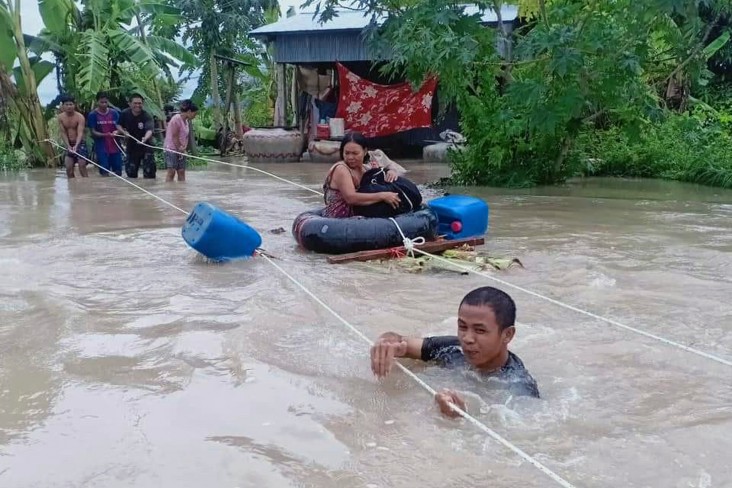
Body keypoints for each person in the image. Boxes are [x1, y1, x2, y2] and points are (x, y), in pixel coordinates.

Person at [370, 286, 540, 418]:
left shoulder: (519, 386)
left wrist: (460, 420)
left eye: (480, 331)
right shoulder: (452, 349)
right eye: (462, 327)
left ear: (507, 335)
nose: (467, 338)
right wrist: (386, 344)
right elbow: (400, 341)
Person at [322, 132, 402, 218]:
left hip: (361, 210)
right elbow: (351, 198)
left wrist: (390, 171)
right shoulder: (341, 169)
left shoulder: (365, 168)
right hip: (339, 216)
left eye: (355, 153)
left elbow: (382, 173)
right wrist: (383, 196)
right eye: (347, 153)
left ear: (365, 151)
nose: (350, 157)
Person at [116, 93, 155, 178]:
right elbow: (118, 125)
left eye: (139, 103)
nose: (137, 105)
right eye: (135, 103)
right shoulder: (124, 113)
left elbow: (149, 130)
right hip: (132, 146)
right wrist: (123, 132)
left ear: (142, 104)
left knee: (149, 175)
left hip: (146, 146)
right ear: (129, 104)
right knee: (131, 174)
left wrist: (145, 138)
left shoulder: (147, 115)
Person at [87, 92, 122, 176]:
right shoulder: (92, 115)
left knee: (118, 171)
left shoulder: (114, 113)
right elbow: (93, 131)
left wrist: (117, 132)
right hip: (101, 147)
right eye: (101, 102)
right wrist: (105, 135)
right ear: (97, 102)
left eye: (106, 102)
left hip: (115, 146)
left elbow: (120, 127)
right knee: (104, 171)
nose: (104, 104)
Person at [163, 99, 198, 182]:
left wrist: (184, 148)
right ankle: (169, 190)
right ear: (189, 111)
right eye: (194, 114)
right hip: (171, 149)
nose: (195, 116)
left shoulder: (186, 121)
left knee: (181, 171)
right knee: (171, 171)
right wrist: (180, 149)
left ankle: (181, 193)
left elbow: (185, 137)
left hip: (181, 150)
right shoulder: (176, 119)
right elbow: (175, 137)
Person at [57, 95, 88, 178]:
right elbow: (63, 133)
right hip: (69, 143)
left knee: (82, 166)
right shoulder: (60, 117)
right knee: (69, 168)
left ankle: (87, 186)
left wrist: (76, 146)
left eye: (71, 104)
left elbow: (80, 133)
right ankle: (72, 189)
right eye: (67, 104)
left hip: (80, 143)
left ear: (74, 105)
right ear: (63, 106)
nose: (69, 106)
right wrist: (68, 146)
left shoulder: (80, 117)